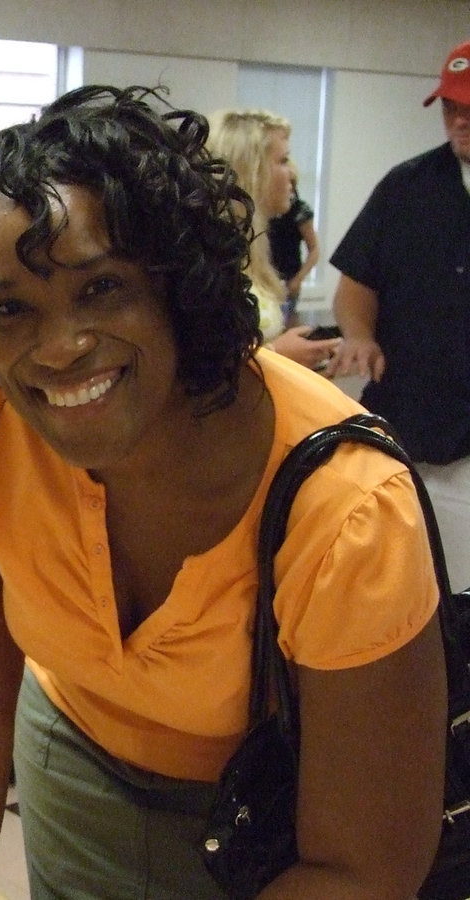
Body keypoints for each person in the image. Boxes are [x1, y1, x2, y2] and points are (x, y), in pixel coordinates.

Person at [0, 85, 445, 898]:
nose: (59, 348)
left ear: (177, 285)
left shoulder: (347, 508)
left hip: (271, 823)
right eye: (13, 308)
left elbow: (366, 866)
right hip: (73, 765)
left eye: (101, 289)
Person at [328, 38, 470, 591]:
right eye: (452, 108)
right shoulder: (406, 187)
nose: (460, 121)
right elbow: (354, 287)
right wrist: (359, 336)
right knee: (407, 576)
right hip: (408, 419)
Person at [207, 108, 340, 371]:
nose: (293, 173)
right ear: (251, 169)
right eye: (283, 160)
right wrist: (277, 355)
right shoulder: (210, 255)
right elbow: (198, 365)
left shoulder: (250, 249)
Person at [267, 161, 321, 324]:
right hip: (266, 279)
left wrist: (298, 279)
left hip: (288, 280)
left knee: (284, 325)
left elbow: (314, 249)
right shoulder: (264, 209)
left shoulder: (300, 211)